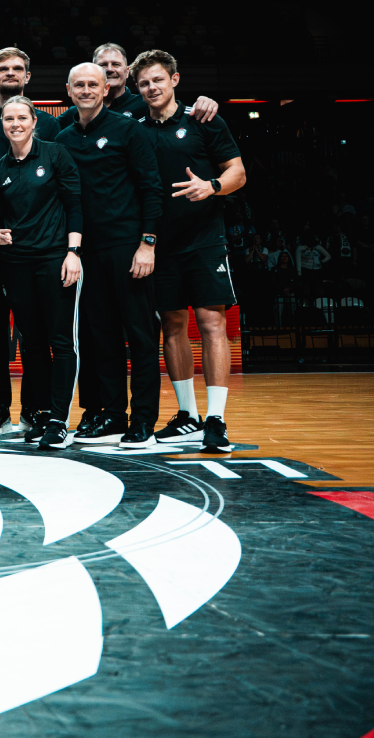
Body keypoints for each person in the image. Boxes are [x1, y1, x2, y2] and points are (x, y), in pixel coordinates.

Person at [131, 49, 247, 452]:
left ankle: (215, 419)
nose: (151, 88)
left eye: (158, 80)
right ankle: (188, 416)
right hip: (158, 245)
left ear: (175, 80)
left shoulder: (204, 119)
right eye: (144, 83)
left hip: (204, 239)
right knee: (173, 325)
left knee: (212, 323)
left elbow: (238, 172)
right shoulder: (135, 127)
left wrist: (211, 186)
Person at [55, 62, 162, 448]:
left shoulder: (127, 129)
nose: (85, 90)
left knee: (140, 335)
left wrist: (147, 243)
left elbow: (152, 188)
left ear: (105, 90)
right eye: (78, 84)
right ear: (69, 90)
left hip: (128, 248)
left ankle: (144, 420)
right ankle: (112, 415)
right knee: (101, 338)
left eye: (92, 85)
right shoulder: (63, 137)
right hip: (86, 252)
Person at [0, 48, 59, 436]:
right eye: (3, 69)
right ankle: (0, 408)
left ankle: (36, 407)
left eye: (17, 69)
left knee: (34, 331)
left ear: (28, 76)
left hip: (37, 245)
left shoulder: (50, 127)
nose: (10, 74)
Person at [0, 97, 84, 450]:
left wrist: (73, 252)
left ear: (34, 122)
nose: (15, 124)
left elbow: (75, 205)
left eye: (22, 118)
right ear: (2, 124)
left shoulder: (55, 154)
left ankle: (59, 420)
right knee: (32, 344)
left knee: (61, 341)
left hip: (56, 260)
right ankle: (42, 413)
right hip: (16, 265)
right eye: (9, 119)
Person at [55, 42, 220, 128]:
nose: (109, 69)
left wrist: (205, 102)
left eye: (116, 64)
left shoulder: (147, 104)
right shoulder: (74, 114)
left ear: (127, 72)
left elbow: (176, 111)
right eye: (103, 65)